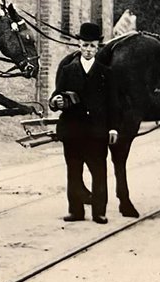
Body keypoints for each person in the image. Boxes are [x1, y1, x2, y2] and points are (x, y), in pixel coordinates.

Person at [49, 22, 117, 225]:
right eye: (85, 45)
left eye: (92, 46)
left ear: (98, 47)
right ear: (79, 45)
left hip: (97, 131)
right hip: (73, 130)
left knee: (99, 172)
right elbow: (56, 96)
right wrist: (56, 102)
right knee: (74, 171)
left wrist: (113, 128)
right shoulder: (68, 70)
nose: (88, 50)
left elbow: (114, 104)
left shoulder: (106, 72)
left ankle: (99, 212)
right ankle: (75, 210)